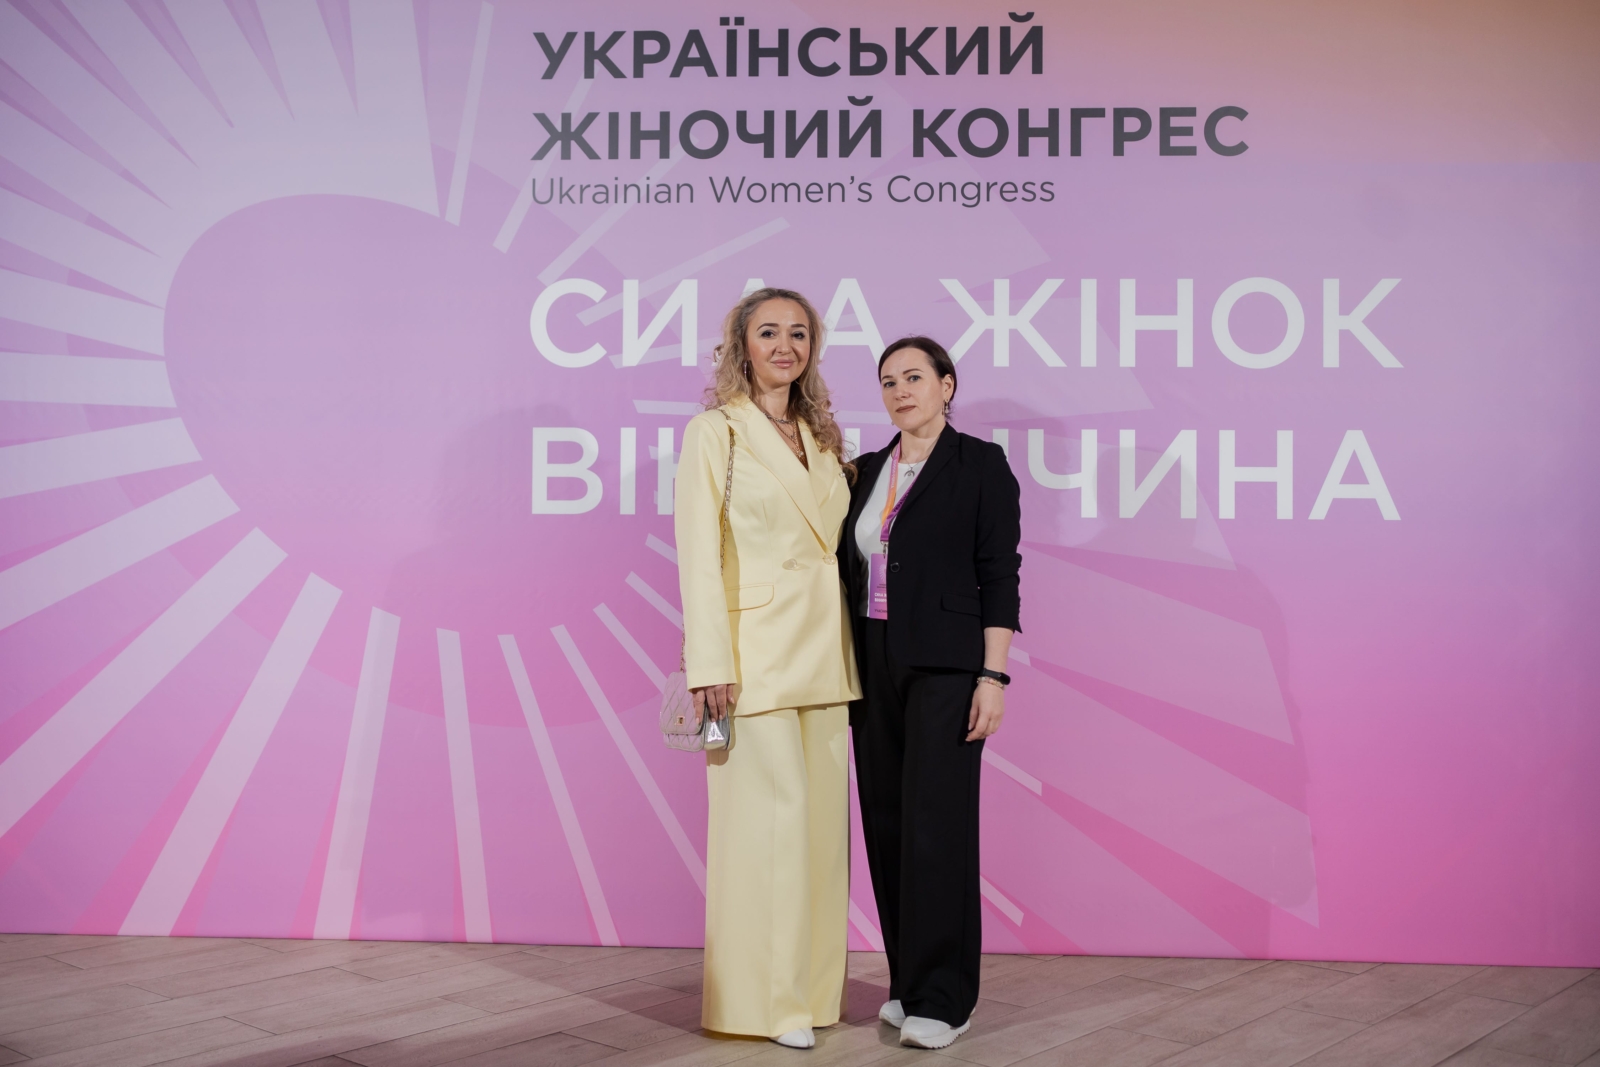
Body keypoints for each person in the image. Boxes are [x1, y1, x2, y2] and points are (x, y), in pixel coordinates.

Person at [675, 287, 860, 1049]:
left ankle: (812, 996)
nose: (785, 345)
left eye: (799, 333)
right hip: (752, 658)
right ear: (740, 345)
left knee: (819, 841)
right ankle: (763, 1004)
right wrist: (709, 661)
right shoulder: (715, 431)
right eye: (768, 332)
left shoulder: (821, 435)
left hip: (827, 655)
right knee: (767, 834)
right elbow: (698, 553)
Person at [841, 336, 1021, 1050]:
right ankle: (909, 982)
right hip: (871, 659)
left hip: (947, 667)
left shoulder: (980, 464)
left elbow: (999, 573)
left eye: (914, 377)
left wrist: (992, 676)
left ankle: (946, 998)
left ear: (947, 385)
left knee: (936, 826)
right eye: (888, 381)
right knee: (886, 822)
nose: (901, 391)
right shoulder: (866, 470)